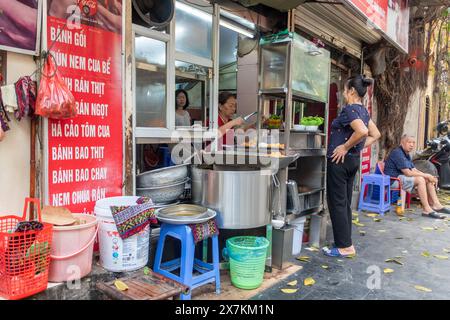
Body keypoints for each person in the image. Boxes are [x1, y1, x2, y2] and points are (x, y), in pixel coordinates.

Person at [323, 75, 381, 258]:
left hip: (339, 162)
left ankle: (345, 247)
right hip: (351, 161)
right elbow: (375, 133)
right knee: (344, 202)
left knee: (337, 203)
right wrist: (356, 147)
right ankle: (344, 241)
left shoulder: (350, 109)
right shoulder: (363, 111)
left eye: (345, 90)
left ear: (352, 91)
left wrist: (345, 147)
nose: (343, 93)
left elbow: (363, 131)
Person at [384, 134, 450, 219]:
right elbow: (408, 172)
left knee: (427, 179)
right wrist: (425, 175)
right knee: (420, 180)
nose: (411, 145)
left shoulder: (406, 154)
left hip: (401, 177)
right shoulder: (398, 153)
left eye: (413, 143)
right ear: (402, 143)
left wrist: (428, 176)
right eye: (409, 142)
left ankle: (436, 205)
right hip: (393, 180)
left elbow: (413, 169)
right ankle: (426, 209)